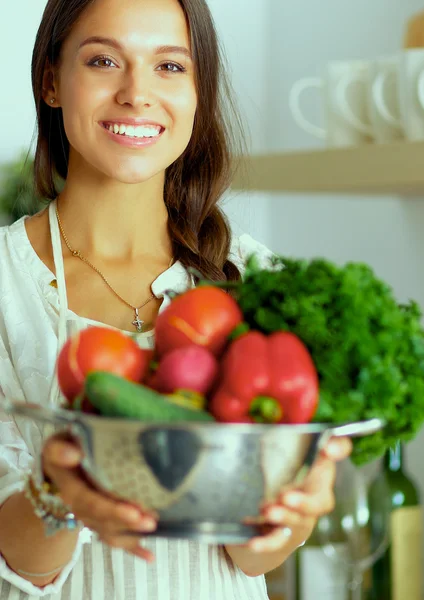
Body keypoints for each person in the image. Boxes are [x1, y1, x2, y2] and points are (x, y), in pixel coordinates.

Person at [0, 0, 352, 598]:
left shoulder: (256, 281)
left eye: (169, 67)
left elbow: (250, 557)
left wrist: (292, 512)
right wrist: (58, 490)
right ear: (52, 81)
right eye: (105, 60)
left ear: (197, 95)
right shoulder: (6, 281)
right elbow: (23, 560)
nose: (137, 93)